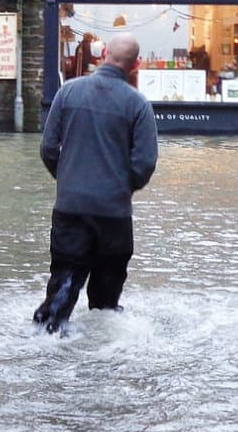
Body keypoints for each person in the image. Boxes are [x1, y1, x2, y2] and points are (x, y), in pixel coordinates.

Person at [32, 33, 159, 334]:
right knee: (105, 307)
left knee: (63, 285)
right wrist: (119, 189)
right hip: (114, 216)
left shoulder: (67, 93)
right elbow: (144, 164)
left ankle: (44, 341)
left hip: (70, 209)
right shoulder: (139, 105)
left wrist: (67, 181)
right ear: (136, 64)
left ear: (103, 54)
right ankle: (101, 374)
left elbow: (48, 148)